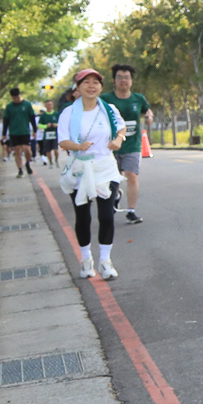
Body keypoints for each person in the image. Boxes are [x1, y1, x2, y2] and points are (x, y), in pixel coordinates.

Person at [56, 68, 126, 280]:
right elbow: (63, 141)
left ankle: (105, 261)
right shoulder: (68, 113)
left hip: (105, 168)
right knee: (83, 217)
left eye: (95, 82)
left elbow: (121, 127)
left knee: (106, 216)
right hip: (80, 168)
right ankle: (86, 260)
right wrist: (78, 146)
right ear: (77, 88)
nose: (91, 86)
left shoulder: (109, 109)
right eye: (86, 82)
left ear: (101, 87)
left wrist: (118, 140)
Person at [102, 64, 153, 223]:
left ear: (131, 81)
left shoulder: (138, 98)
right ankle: (114, 197)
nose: (123, 80)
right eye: (120, 77)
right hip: (111, 146)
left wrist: (149, 117)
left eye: (127, 77)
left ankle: (131, 211)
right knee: (113, 179)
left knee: (132, 175)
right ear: (114, 80)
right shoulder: (105, 99)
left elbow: (147, 110)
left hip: (132, 145)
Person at [2, 87, 38, 177]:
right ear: (12, 98)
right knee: (17, 151)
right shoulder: (9, 107)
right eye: (14, 98)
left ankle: (28, 163)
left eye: (18, 97)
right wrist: (4, 133)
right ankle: (20, 169)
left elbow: (32, 118)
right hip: (14, 132)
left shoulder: (27, 105)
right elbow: (6, 121)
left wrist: (35, 130)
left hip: (25, 131)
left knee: (27, 149)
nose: (16, 99)